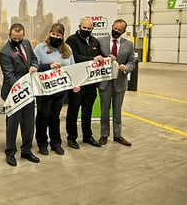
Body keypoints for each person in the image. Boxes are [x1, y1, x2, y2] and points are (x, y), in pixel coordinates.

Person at [34, 24, 80, 156]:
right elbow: (34, 66)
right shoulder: (40, 48)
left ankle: (56, 143)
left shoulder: (67, 49)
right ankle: (42, 143)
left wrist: (74, 84)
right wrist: (48, 66)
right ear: (49, 34)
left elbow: (72, 68)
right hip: (44, 89)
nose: (55, 37)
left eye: (58, 35)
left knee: (55, 117)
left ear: (62, 36)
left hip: (60, 90)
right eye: (53, 34)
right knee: (43, 116)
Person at [0, 23, 40, 167]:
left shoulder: (27, 44)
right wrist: (24, 86)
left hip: (28, 92)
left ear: (23, 35)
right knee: (12, 125)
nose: (17, 40)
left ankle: (27, 151)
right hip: (13, 92)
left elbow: (34, 59)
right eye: (14, 38)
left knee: (29, 124)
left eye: (20, 38)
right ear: (10, 35)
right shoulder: (4, 52)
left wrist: (34, 65)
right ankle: (10, 153)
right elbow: (9, 76)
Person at [65, 18, 104, 149]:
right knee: (73, 111)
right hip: (77, 83)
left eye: (89, 29)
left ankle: (88, 136)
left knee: (87, 111)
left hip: (91, 83)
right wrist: (92, 59)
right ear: (79, 26)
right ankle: (71, 137)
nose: (86, 30)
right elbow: (74, 58)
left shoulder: (94, 41)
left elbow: (100, 57)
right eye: (84, 28)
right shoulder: (71, 40)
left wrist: (107, 58)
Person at [98, 19, 135, 146]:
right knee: (104, 110)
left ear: (124, 31)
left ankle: (118, 135)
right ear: (112, 27)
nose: (116, 31)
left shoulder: (129, 44)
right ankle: (104, 135)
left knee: (117, 110)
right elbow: (95, 59)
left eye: (119, 30)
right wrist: (104, 59)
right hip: (105, 82)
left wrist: (126, 68)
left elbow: (132, 62)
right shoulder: (101, 41)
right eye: (115, 28)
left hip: (120, 82)